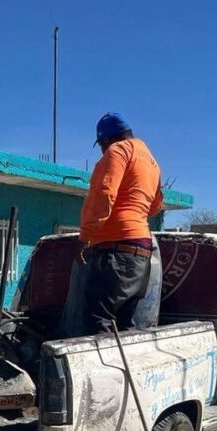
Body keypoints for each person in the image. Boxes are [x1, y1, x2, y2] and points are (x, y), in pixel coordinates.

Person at [61, 112, 164, 336]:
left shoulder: (117, 151)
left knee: (99, 321)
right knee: (125, 324)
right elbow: (156, 205)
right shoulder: (151, 161)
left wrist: (85, 236)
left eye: (101, 145)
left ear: (106, 139)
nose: (102, 150)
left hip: (115, 250)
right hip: (141, 252)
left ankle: (101, 361)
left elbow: (104, 192)